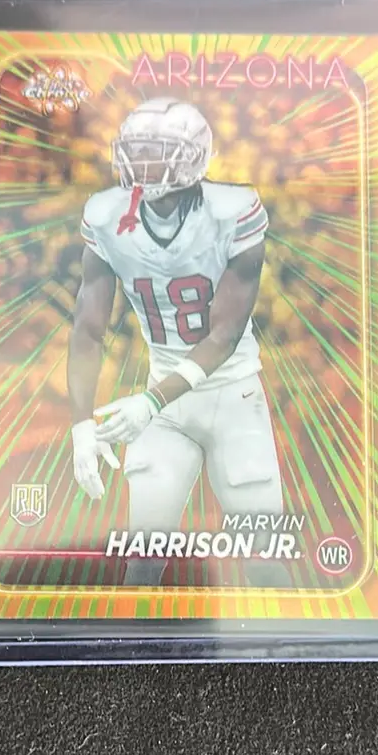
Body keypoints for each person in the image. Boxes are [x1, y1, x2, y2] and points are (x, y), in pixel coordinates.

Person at [67, 97, 290, 588]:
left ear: (193, 156)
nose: (142, 163)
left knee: (264, 558)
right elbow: (87, 327)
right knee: (142, 562)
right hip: (164, 406)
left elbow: (224, 333)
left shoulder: (231, 211)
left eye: (156, 151)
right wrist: (82, 426)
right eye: (136, 151)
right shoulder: (106, 216)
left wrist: (150, 402)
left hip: (233, 397)